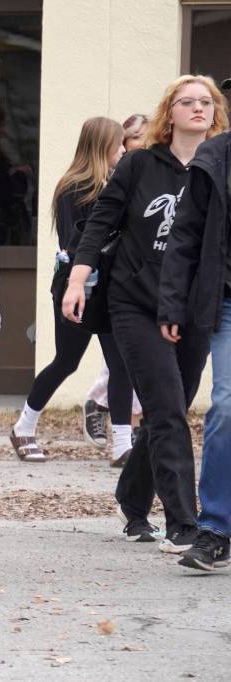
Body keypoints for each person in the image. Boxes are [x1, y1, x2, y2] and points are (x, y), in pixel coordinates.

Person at [63, 75, 229, 552]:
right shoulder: (139, 164)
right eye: (186, 102)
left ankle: (132, 497)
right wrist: (78, 279)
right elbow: (100, 223)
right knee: (167, 408)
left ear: (215, 112)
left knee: (167, 411)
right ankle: (183, 523)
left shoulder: (217, 165)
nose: (197, 108)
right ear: (169, 112)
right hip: (135, 302)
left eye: (206, 102)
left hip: (195, 306)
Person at [10, 117, 134, 466]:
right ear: (100, 146)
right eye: (118, 144)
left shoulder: (118, 182)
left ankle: (123, 445)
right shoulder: (73, 188)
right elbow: (76, 241)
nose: (123, 150)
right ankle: (24, 427)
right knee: (66, 361)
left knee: (120, 364)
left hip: (113, 290)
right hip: (77, 287)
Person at [158, 94, 231, 571]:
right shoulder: (214, 159)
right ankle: (217, 528)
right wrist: (172, 302)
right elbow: (183, 236)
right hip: (225, 301)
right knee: (226, 403)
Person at [83, 114, 150, 443]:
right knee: (124, 359)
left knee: (131, 359)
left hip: (150, 278)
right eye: (134, 137)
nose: (140, 143)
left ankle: (108, 408)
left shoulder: (158, 175)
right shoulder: (111, 182)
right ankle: (127, 429)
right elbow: (90, 234)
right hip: (115, 280)